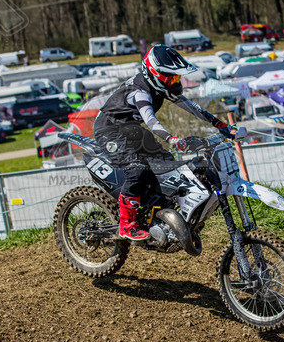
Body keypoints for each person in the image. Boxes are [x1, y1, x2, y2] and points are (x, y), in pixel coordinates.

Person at [94, 45, 236, 241]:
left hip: (131, 129)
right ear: (154, 74)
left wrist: (219, 124)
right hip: (109, 130)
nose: (174, 82)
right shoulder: (140, 92)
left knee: (168, 165)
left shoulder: (160, 86)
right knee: (137, 170)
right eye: (170, 78)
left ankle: (157, 213)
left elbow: (192, 107)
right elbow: (151, 121)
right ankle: (126, 224)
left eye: (176, 78)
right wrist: (171, 138)